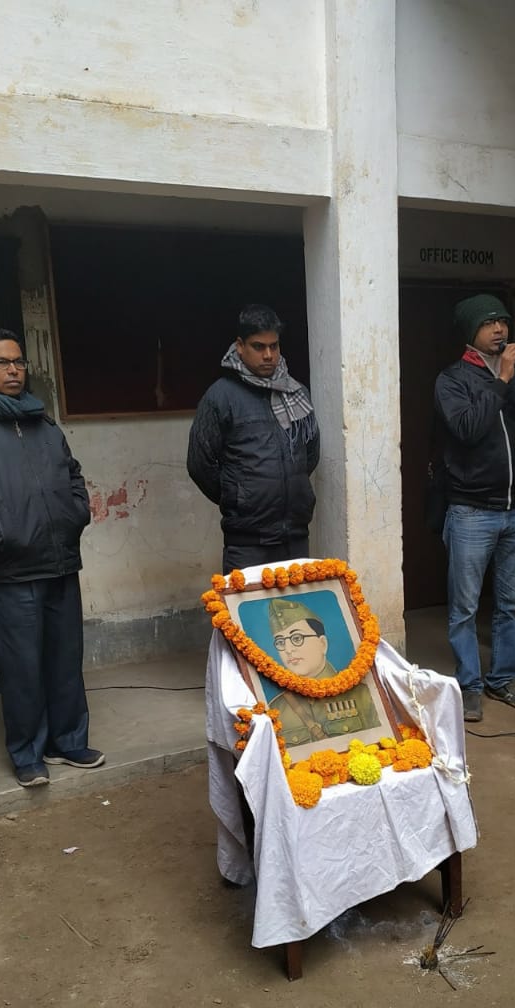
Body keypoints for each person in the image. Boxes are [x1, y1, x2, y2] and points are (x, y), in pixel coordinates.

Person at [0, 329, 104, 787]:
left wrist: (75, 512)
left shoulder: (40, 419)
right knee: (21, 667)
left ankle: (68, 741)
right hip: (8, 568)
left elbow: (72, 473)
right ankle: (27, 753)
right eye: (1, 363)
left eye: (18, 361)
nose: (14, 370)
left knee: (65, 659)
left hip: (59, 559)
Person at [434, 295, 515, 723]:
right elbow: (467, 429)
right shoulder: (452, 380)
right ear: (471, 331)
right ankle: (469, 685)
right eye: (489, 323)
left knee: (511, 604)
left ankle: (503, 679)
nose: (500, 328)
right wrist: (500, 380)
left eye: (503, 320)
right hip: (471, 510)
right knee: (464, 608)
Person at [187, 304, 320, 573]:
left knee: (298, 603)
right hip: (247, 544)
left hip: (295, 536)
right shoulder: (221, 397)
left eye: (274, 346)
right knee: (246, 603)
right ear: (240, 346)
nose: (268, 355)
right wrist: (238, 495)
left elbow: (310, 453)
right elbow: (199, 464)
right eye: (259, 347)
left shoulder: (297, 393)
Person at [265, 598, 380, 747]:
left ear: (322, 644)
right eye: (280, 642)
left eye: (297, 638)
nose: (288, 650)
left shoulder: (363, 695)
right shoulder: (276, 709)